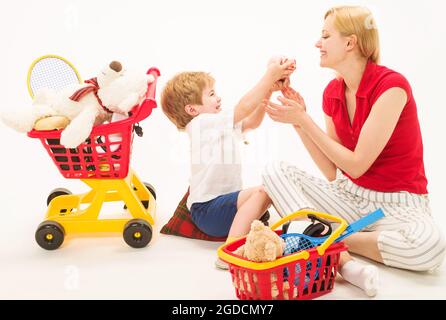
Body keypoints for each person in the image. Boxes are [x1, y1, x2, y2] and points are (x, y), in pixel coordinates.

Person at [262, 5, 446, 297]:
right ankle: (333, 239)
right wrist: (300, 123)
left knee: (431, 247)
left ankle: (327, 238)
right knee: (275, 170)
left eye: (325, 36)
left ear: (350, 42)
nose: (317, 43)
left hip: (398, 206)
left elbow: (358, 164)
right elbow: (333, 171)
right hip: (348, 197)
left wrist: (304, 120)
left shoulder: (391, 87)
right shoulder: (332, 93)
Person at [161, 59, 295, 269]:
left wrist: (268, 91)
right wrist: (269, 76)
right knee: (265, 191)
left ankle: (262, 235)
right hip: (208, 211)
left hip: (221, 205)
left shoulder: (216, 124)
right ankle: (228, 254)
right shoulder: (201, 124)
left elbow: (252, 122)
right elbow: (243, 108)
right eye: (211, 94)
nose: (218, 97)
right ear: (192, 109)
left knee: (269, 190)